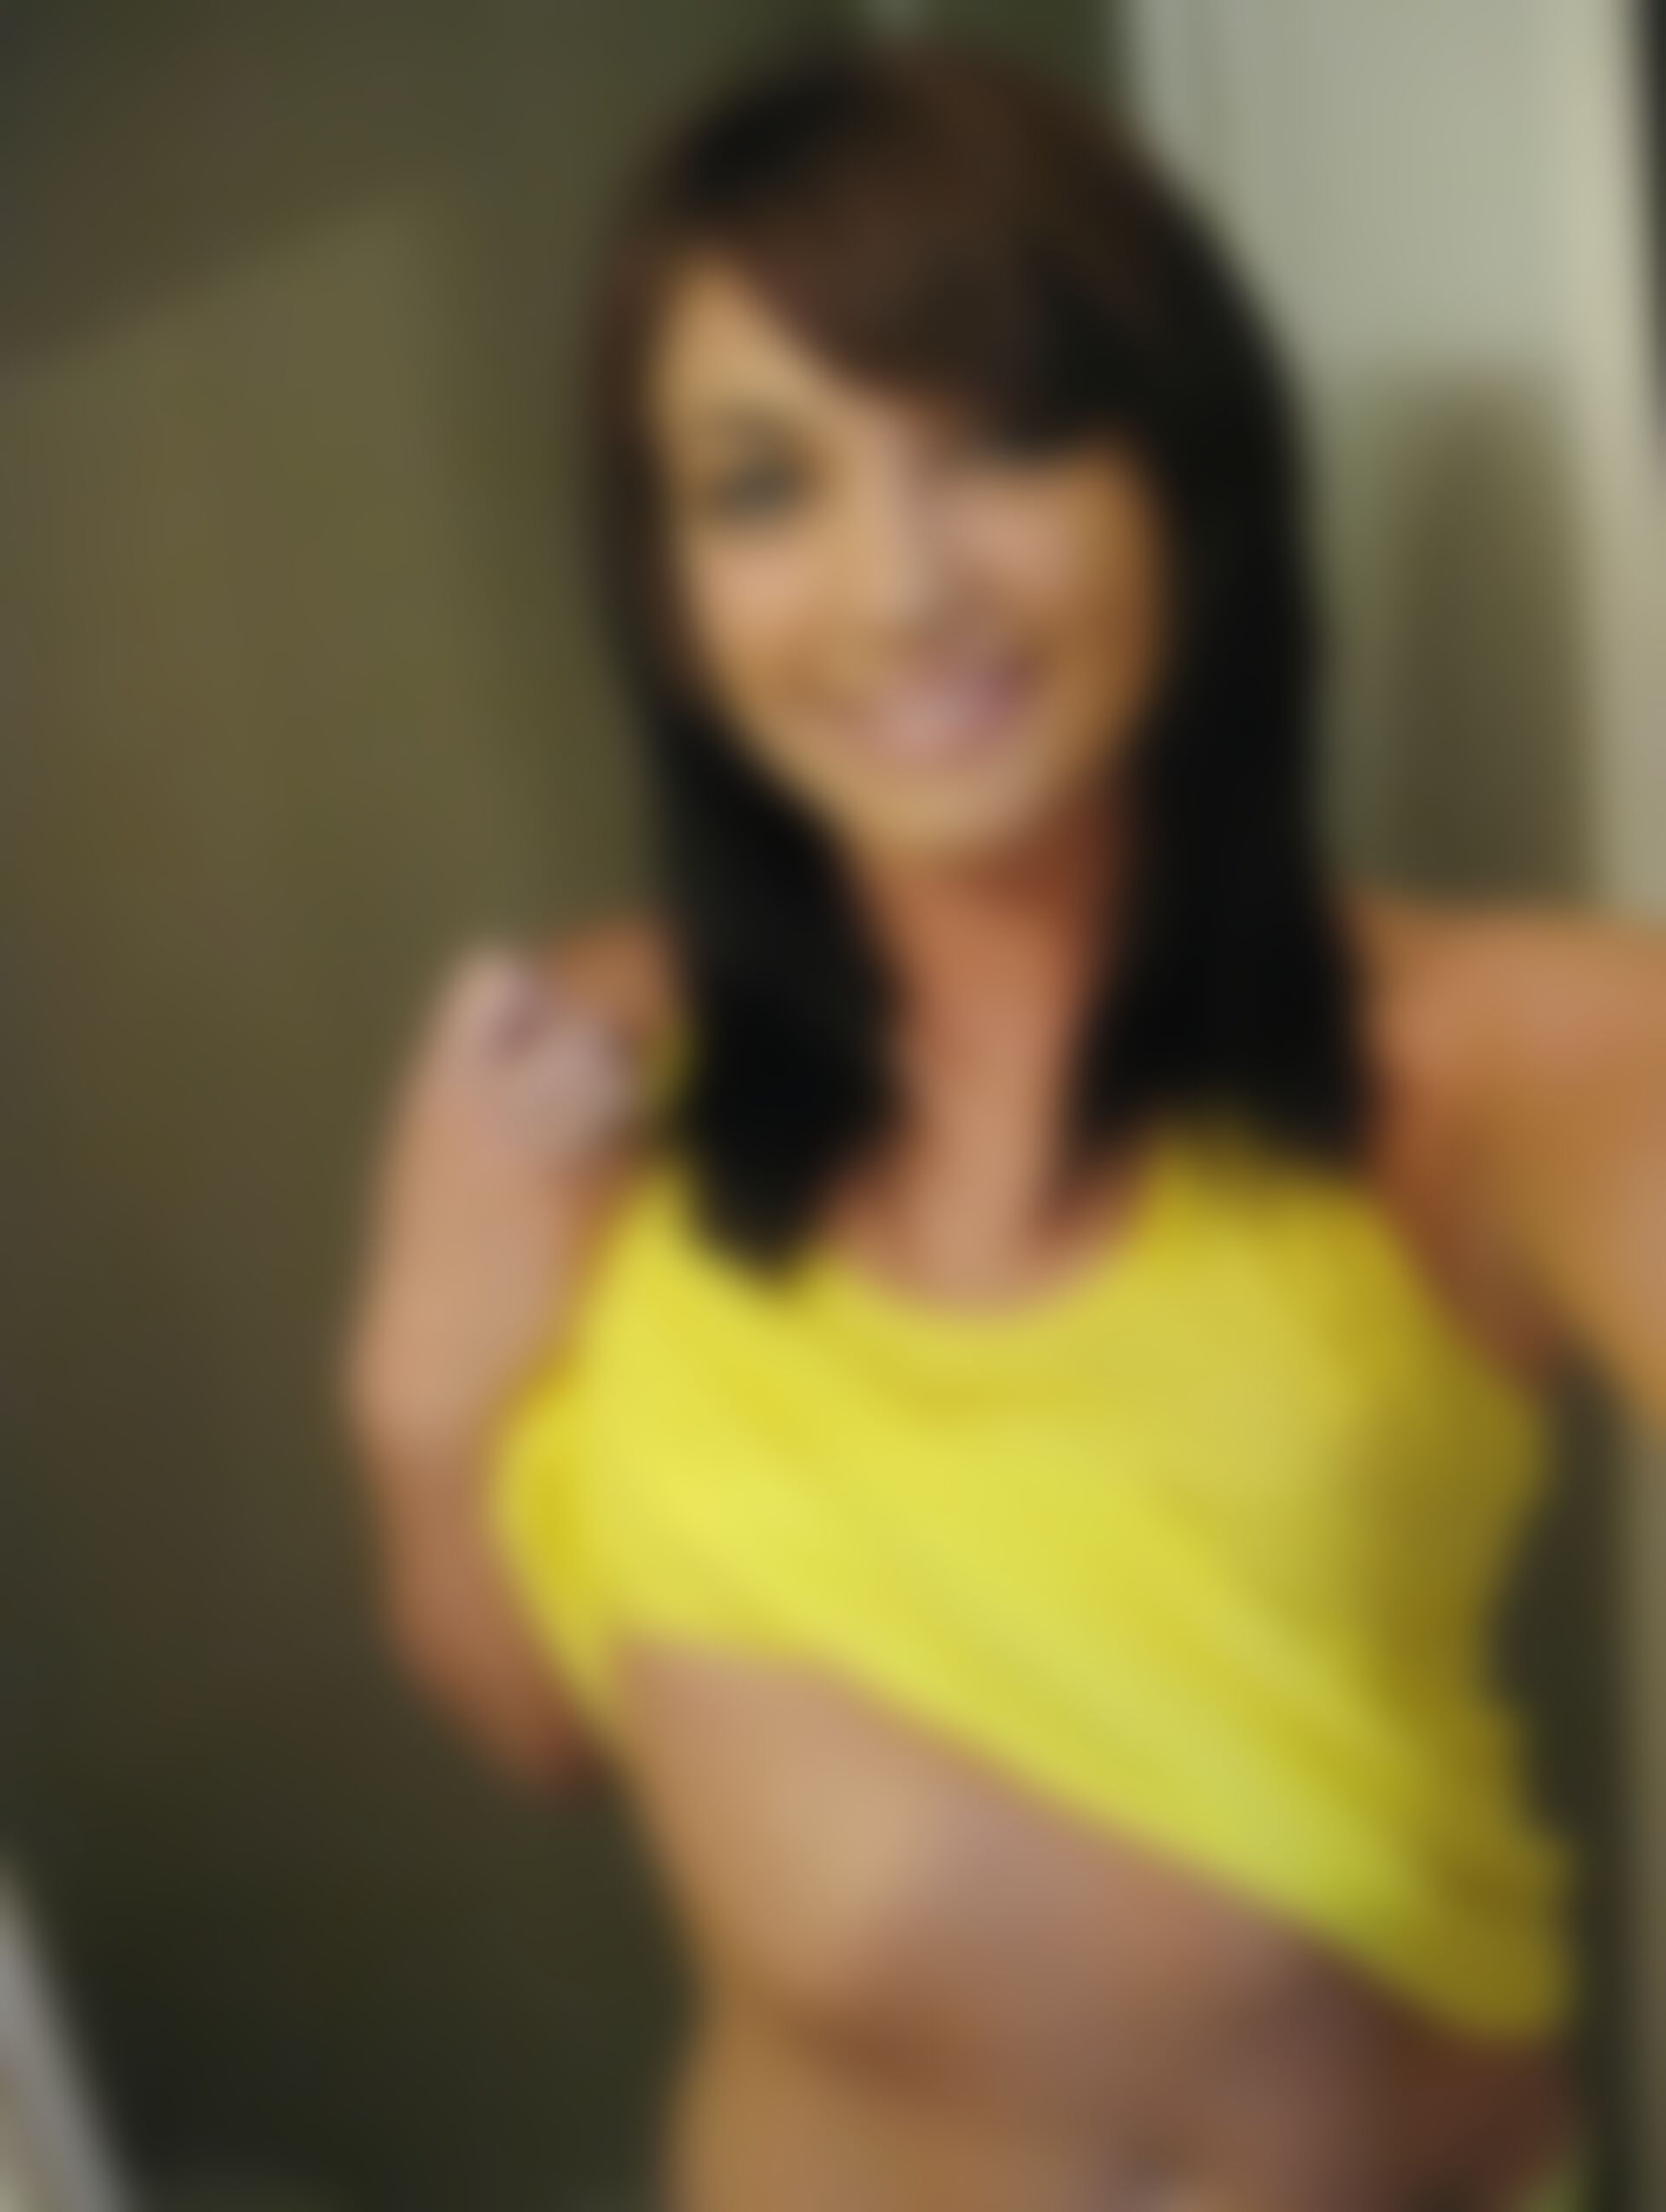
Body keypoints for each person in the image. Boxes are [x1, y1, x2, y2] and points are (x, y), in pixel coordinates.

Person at [339, 38, 1666, 2210]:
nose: (898, 592)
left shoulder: (1514, 1056)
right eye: (764, 489)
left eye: (1005, 444)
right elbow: (543, 1730)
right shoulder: (581, 1056)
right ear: (670, 587)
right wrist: (417, 1407)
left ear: (1184, 478)